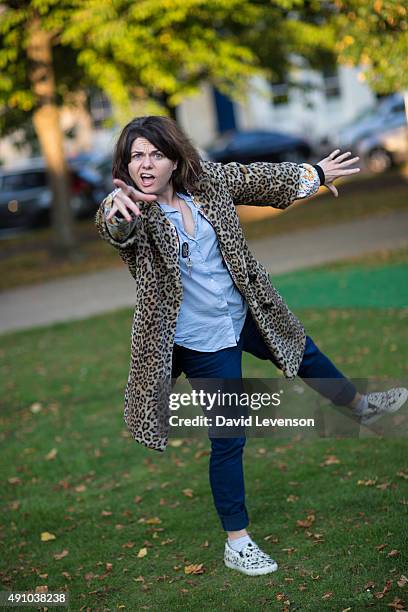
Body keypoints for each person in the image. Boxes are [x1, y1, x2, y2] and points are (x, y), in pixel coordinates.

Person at [95, 115, 408, 577]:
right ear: (126, 163)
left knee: (305, 352)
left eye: (156, 154)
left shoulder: (207, 184)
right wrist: (116, 214)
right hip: (200, 340)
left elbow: (261, 178)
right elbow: (114, 227)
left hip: (246, 312)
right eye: (136, 155)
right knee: (230, 437)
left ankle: (360, 408)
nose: (146, 164)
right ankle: (237, 542)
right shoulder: (132, 212)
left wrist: (317, 176)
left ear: (174, 158)